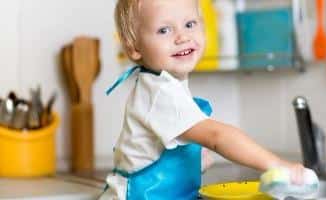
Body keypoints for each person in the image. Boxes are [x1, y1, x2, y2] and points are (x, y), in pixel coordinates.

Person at [99, 0, 306, 199]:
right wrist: (277, 164)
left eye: (190, 24)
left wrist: (192, 161)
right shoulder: (161, 92)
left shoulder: (163, 85)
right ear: (134, 47)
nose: (182, 37)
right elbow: (217, 136)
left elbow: (151, 152)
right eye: (164, 30)